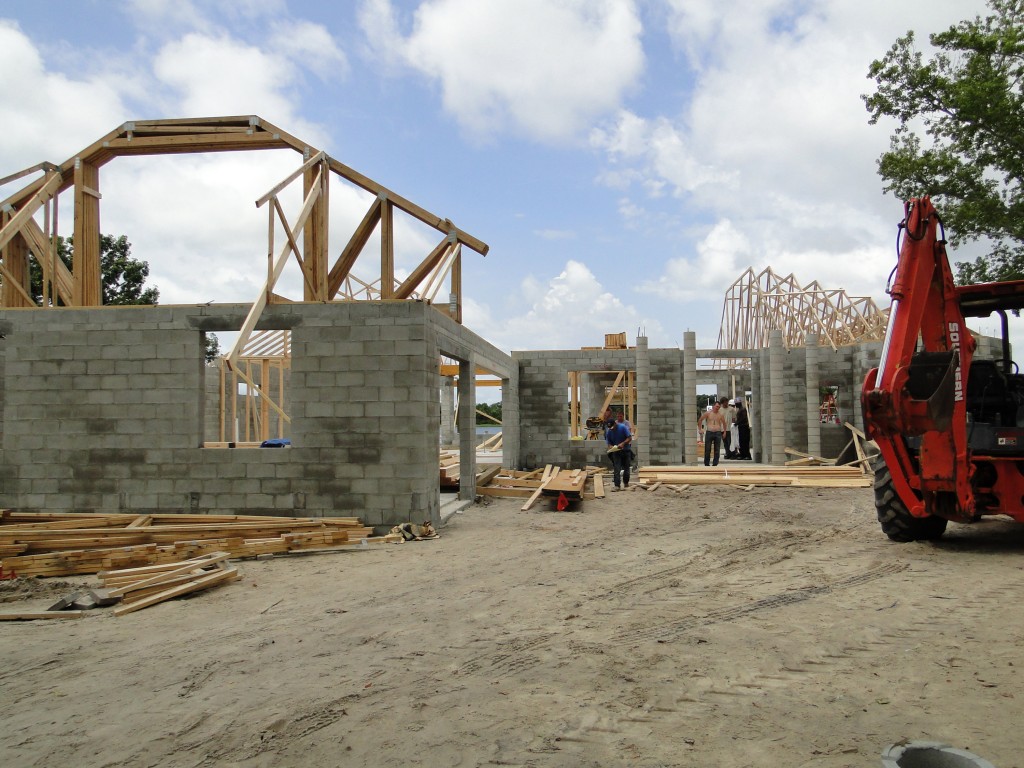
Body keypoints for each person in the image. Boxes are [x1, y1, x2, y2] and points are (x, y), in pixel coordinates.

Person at [605, 412, 633, 490]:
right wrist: (611, 447)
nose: (612, 429)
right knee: (617, 468)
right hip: (616, 452)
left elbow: (629, 438)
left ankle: (626, 483)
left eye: (612, 427)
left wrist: (623, 443)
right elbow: (608, 442)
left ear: (615, 424)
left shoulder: (623, 427)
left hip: (626, 450)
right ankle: (617, 485)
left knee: (626, 468)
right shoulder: (609, 431)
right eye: (610, 428)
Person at [697, 400, 727, 466]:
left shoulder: (720, 415)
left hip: (718, 432)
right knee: (707, 448)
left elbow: (724, 424)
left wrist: (724, 432)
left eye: (719, 407)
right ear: (714, 406)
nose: (717, 408)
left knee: (717, 449)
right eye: (716, 406)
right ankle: (707, 463)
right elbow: (700, 420)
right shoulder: (708, 413)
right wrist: (700, 429)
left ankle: (715, 463)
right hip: (709, 432)